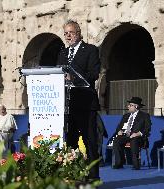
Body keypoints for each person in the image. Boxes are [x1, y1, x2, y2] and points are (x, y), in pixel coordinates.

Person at [56, 19, 101, 179]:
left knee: (90, 142)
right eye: (65, 33)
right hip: (68, 103)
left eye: (71, 32)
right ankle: (73, 175)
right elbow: (57, 73)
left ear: (79, 33)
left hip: (86, 103)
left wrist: (73, 78)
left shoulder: (90, 50)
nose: (68, 36)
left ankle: (93, 177)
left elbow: (94, 74)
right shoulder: (62, 53)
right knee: (71, 141)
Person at [112, 97, 151, 170]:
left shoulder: (144, 116)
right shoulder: (125, 116)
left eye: (130, 105)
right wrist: (119, 131)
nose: (128, 106)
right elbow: (119, 127)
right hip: (125, 135)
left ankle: (136, 164)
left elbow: (147, 128)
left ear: (136, 106)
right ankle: (119, 163)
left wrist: (138, 133)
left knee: (134, 140)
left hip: (138, 137)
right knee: (117, 140)